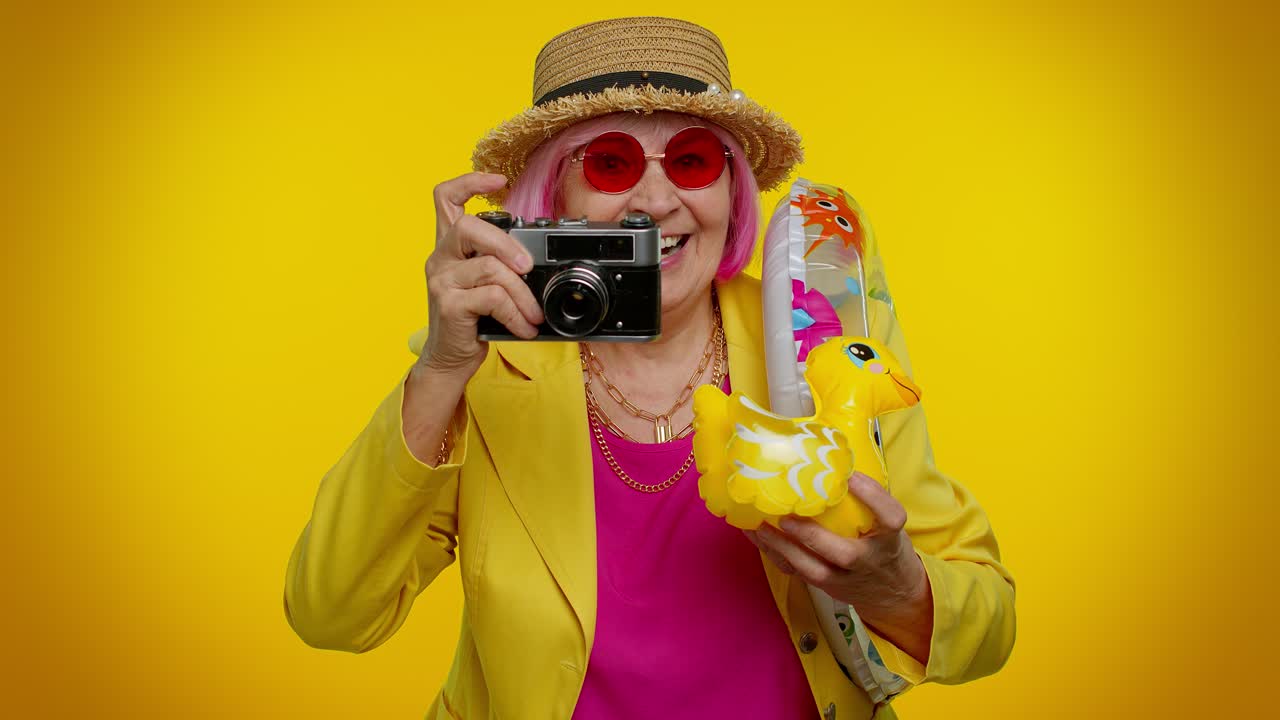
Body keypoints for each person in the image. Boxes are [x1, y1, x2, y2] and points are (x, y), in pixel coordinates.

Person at [284, 16, 1015, 720]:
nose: (657, 200)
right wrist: (442, 368)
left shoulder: (826, 342)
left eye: (693, 161)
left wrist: (898, 589)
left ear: (732, 193)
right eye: (611, 163)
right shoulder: (480, 368)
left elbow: (989, 622)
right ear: (554, 198)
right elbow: (334, 614)